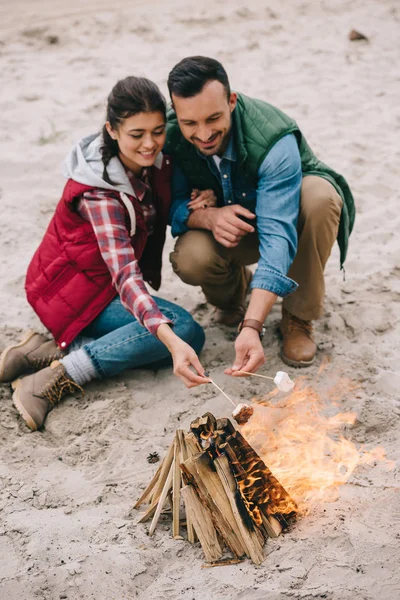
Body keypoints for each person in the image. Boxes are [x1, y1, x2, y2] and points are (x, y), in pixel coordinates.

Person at [0, 76, 210, 431]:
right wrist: (169, 337)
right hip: (69, 293)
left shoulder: (151, 160)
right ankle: (57, 376)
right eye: (137, 134)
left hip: (96, 285)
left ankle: (45, 350)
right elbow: (125, 274)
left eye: (158, 131)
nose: (150, 144)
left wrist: (203, 197)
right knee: (184, 329)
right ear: (112, 130)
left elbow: (163, 197)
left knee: (180, 339)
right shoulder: (99, 193)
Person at [165, 56, 355, 374]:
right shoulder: (170, 135)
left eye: (214, 118)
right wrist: (207, 217)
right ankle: (234, 297)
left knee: (320, 198)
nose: (204, 133)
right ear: (176, 112)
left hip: (290, 218)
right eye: (190, 123)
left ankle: (297, 317)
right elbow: (168, 206)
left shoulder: (272, 137)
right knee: (190, 255)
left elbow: (278, 234)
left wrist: (252, 326)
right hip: (234, 228)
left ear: (232, 100)